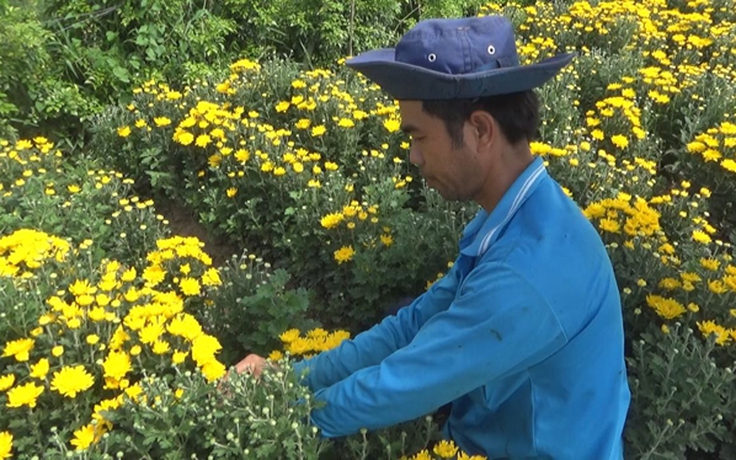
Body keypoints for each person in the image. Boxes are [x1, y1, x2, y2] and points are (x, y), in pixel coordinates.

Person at [233, 15, 631, 459]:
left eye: (419, 136)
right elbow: (413, 327)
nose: (414, 157)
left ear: (480, 130)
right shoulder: (521, 216)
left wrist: (272, 409)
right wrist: (288, 377)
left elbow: (406, 384)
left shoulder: (529, 271)